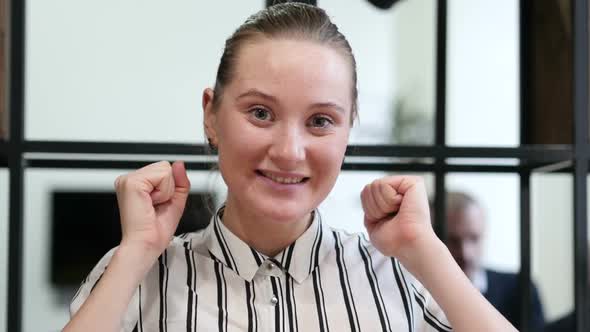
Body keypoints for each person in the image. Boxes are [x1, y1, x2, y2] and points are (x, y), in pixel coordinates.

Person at [63, 3, 517, 332]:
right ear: (211, 114)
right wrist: (136, 251)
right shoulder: (137, 277)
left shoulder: (393, 276)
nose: (289, 151)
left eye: (320, 121)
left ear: (347, 131)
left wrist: (426, 249)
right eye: (260, 113)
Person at [444, 191, 545, 331]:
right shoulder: (416, 293)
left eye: (474, 238)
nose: (466, 253)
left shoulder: (520, 290)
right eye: (453, 240)